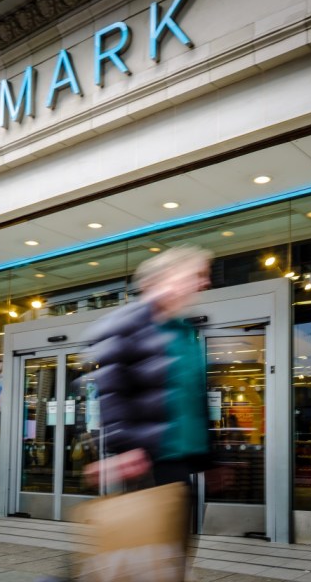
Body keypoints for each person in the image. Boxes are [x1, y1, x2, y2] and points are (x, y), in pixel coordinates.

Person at [82, 245, 213, 580]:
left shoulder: (184, 332)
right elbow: (110, 390)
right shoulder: (129, 324)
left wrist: (212, 461)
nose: (204, 283)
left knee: (173, 556)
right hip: (146, 461)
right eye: (196, 275)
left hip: (182, 463)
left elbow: (194, 401)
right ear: (167, 277)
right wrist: (121, 447)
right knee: (145, 559)